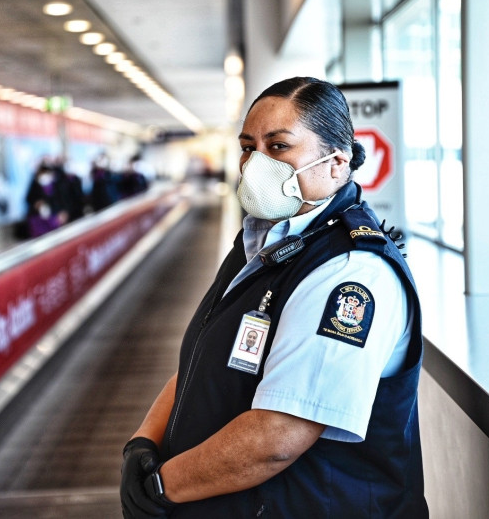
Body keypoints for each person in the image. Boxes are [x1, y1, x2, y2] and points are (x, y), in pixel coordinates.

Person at [120, 77, 427, 518]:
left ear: (337, 163)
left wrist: (161, 486)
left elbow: (278, 438)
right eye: (248, 147)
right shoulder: (262, 245)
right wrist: (143, 444)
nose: (255, 163)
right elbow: (201, 363)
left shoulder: (349, 273)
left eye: (278, 147)